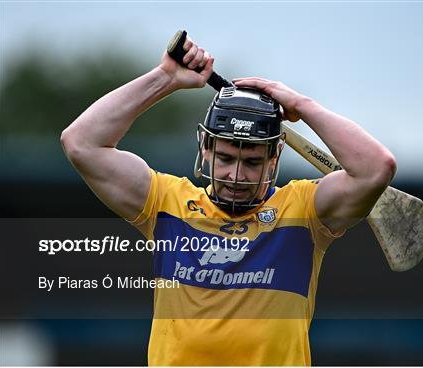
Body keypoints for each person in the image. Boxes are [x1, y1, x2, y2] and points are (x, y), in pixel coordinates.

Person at [61, 37, 396, 366]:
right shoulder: (166, 203)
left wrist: (303, 107)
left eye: (251, 162)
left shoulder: (304, 211)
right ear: (205, 149)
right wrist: (165, 78)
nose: (236, 176)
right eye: (224, 158)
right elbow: (81, 142)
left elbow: (375, 169)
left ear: (273, 158)